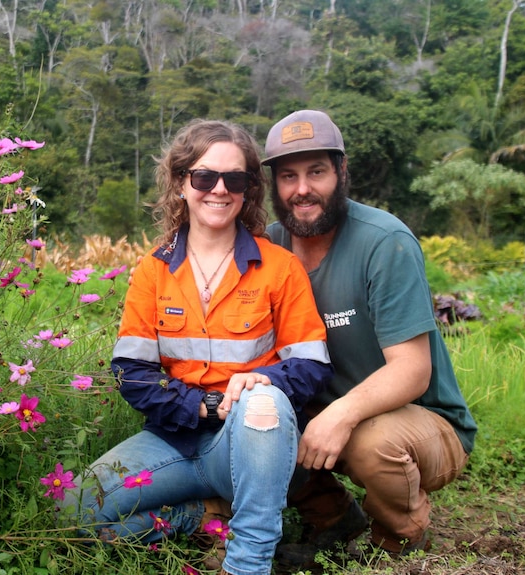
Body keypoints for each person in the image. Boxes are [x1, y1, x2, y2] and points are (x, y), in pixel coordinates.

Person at [61, 119, 333, 575]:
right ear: (181, 183)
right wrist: (205, 406)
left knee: (263, 401)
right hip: (173, 439)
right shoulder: (153, 271)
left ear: (249, 190)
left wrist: (262, 380)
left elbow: (310, 366)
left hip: (251, 444)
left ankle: (247, 563)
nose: (219, 190)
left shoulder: (279, 268)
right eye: (205, 177)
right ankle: (197, 516)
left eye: (235, 179)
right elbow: (133, 372)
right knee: (71, 512)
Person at [261, 109, 478, 565]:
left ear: (342, 172)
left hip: (420, 420)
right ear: (274, 186)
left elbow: (413, 370)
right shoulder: (269, 246)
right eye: (288, 176)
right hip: (322, 411)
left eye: (316, 171)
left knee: (371, 442)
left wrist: (340, 415)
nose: (302, 189)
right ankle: (333, 517)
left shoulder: (384, 241)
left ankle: (400, 532)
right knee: (258, 421)